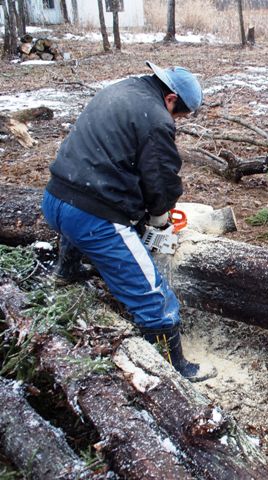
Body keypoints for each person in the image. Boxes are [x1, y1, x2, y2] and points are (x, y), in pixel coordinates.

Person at [41, 61, 211, 380]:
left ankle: (66, 269)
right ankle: (171, 369)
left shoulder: (120, 90)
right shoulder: (156, 118)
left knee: (84, 215)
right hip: (91, 217)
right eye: (179, 114)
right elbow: (160, 180)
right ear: (172, 98)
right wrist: (160, 221)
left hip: (55, 198)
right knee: (153, 295)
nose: (175, 120)